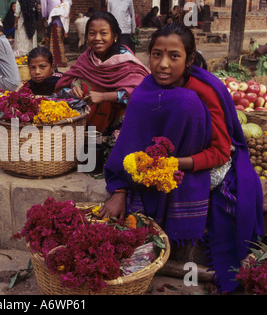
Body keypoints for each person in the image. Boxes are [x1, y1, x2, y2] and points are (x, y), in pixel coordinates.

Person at [101, 23, 264, 293]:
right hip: (159, 163)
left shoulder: (205, 90)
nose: (163, 64)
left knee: (184, 101)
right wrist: (119, 188)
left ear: (189, 60)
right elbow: (129, 142)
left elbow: (221, 151)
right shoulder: (145, 89)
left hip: (201, 161)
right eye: (156, 54)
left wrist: (174, 164)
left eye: (174, 56)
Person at [55, 11, 150, 136]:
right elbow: (70, 78)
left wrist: (104, 96)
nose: (97, 38)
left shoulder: (125, 60)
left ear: (115, 35)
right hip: (92, 120)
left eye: (103, 33)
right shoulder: (87, 57)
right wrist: (75, 84)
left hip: (119, 120)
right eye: (92, 33)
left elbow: (140, 92)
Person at [41, 0, 72, 67]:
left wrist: (44, 17)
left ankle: (57, 61)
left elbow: (44, 8)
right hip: (62, 20)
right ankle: (62, 61)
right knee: (59, 40)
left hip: (54, 20)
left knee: (54, 40)